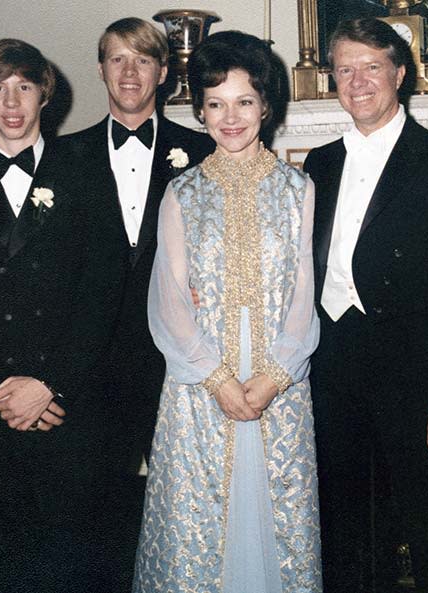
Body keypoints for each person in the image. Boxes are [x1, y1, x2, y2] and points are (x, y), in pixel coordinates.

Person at [0, 39, 123, 592]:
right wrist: (4, 390)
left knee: (79, 563)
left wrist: (49, 384)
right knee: (1, 563)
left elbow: (104, 293)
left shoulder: (88, 176)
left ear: (44, 96)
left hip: (71, 405)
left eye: (24, 87)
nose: (11, 102)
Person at [303, 18, 428, 593]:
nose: (357, 81)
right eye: (344, 69)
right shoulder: (318, 164)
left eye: (372, 67)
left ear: (400, 75)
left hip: (420, 384)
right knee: (348, 535)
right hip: (332, 376)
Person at [133, 31, 322, 593]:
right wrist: (216, 379)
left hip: (278, 384)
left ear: (266, 105)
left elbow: (303, 297)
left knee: (274, 521)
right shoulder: (181, 192)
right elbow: (168, 299)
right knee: (200, 526)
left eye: (244, 102)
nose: (230, 117)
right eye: (216, 104)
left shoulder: (298, 188)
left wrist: (273, 376)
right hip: (199, 384)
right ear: (200, 110)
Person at [59, 17, 214, 587]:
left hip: (176, 356)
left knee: (187, 495)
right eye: (117, 58)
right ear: (100, 68)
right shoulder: (61, 157)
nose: (129, 72)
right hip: (88, 363)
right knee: (89, 506)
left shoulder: (203, 151)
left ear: (164, 74)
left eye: (143, 60)